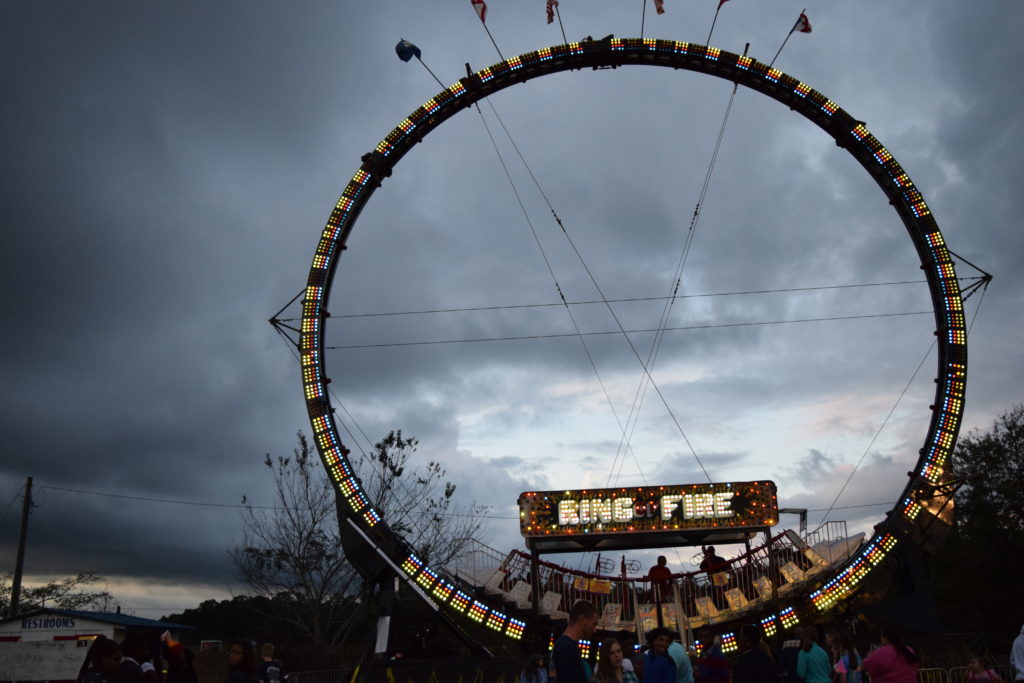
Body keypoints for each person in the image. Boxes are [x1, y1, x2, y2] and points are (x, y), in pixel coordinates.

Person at [551, 600, 598, 683]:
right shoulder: (566, 647)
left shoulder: (566, 645)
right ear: (582, 620)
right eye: (593, 624)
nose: (595, 630)